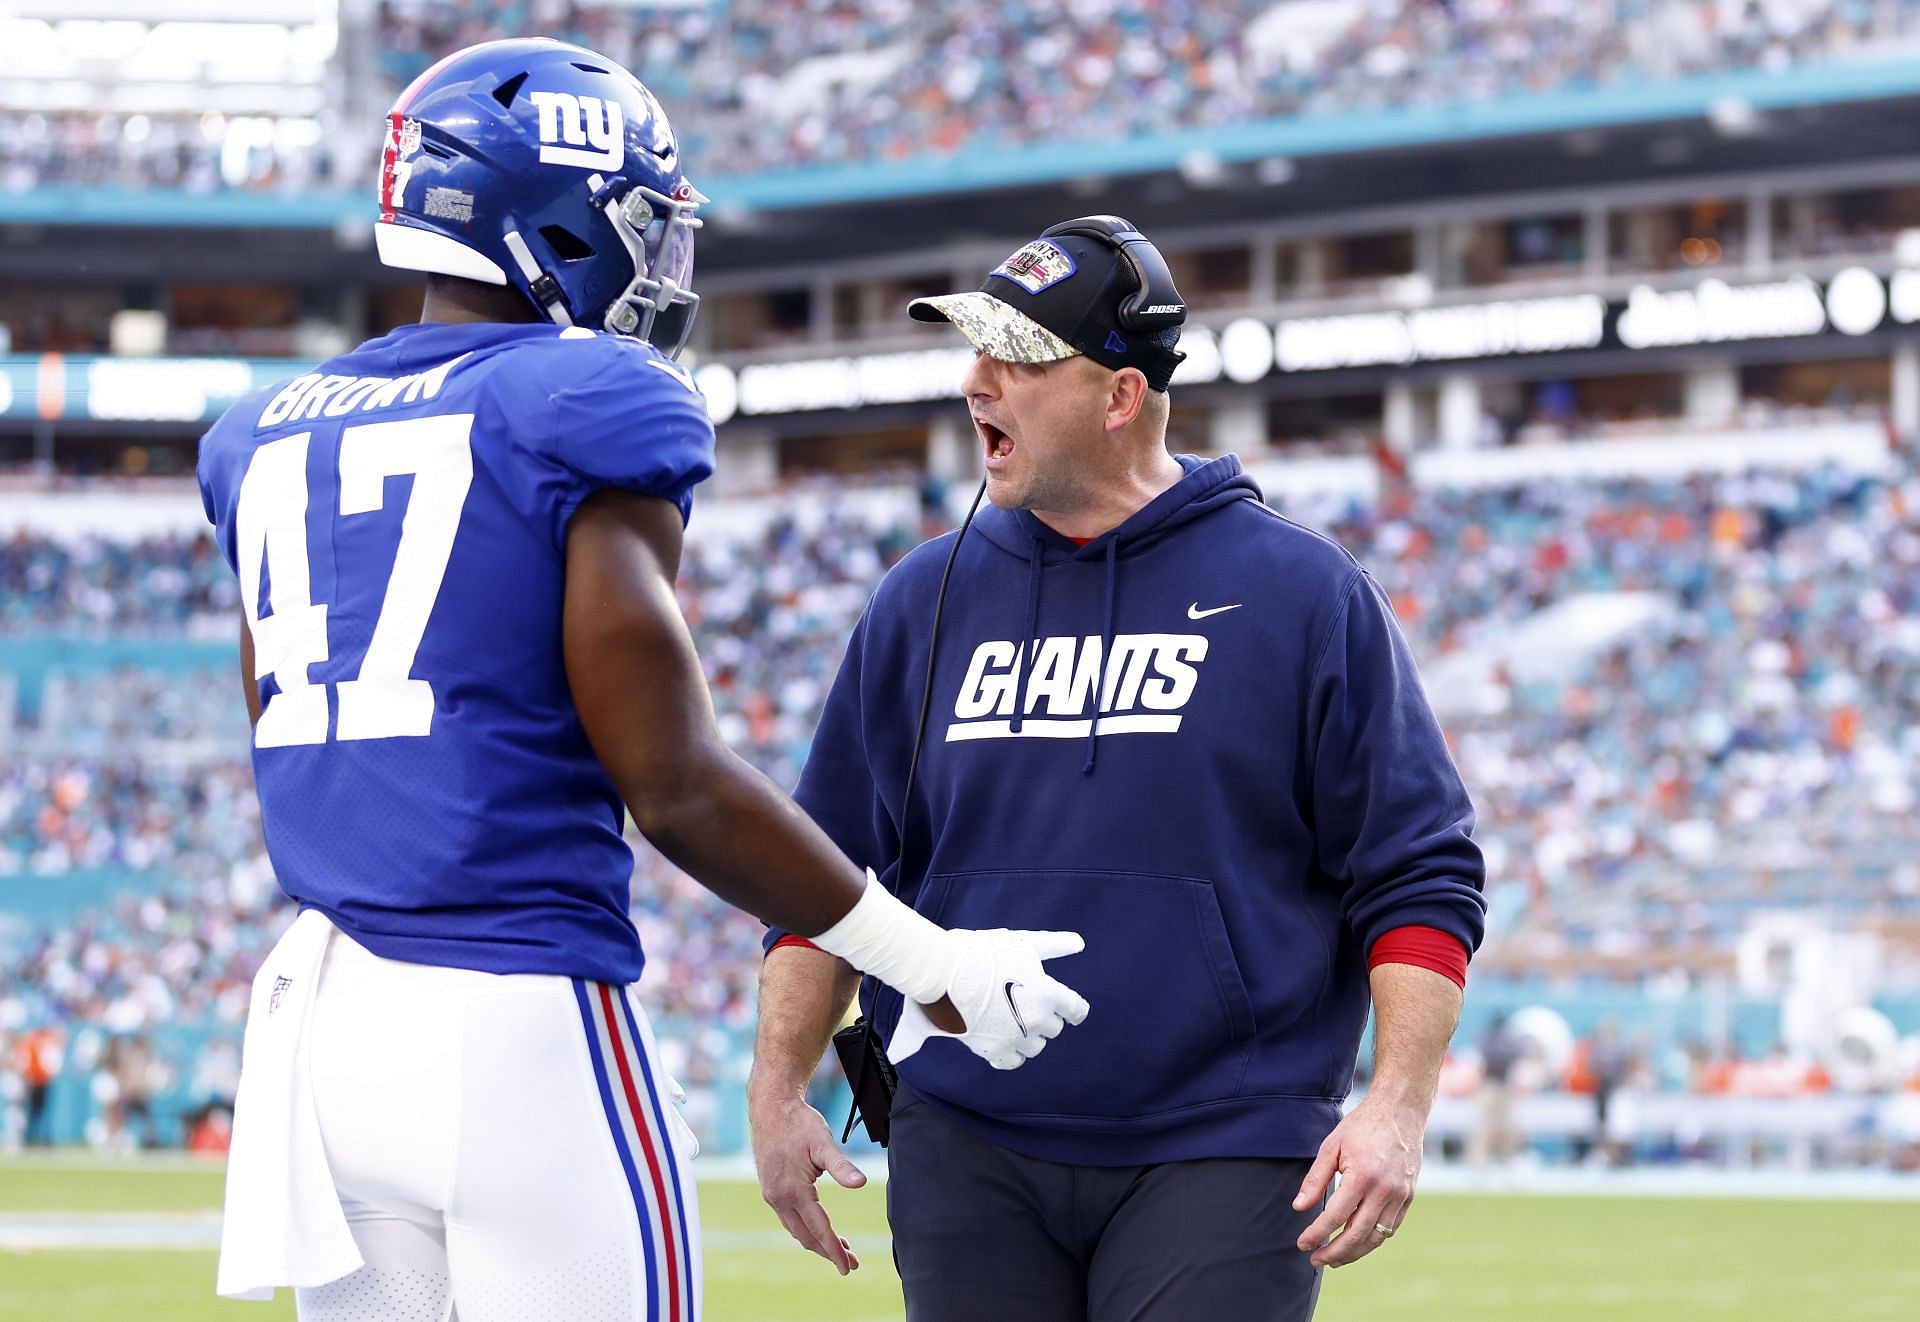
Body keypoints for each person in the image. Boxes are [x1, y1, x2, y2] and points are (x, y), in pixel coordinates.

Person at [193, 39, 1089, 1322]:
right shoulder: (583, 395)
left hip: (324, 1027)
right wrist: (925, 957)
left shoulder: (262, 436)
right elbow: (670, 782)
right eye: (635, 224)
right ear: (543, 217)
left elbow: (285, 728)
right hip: (515, 1022)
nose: (656, 261)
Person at [749, 217, 1487, 1321]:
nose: (975, 383)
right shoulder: (919, 598)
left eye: (1015, 359)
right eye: (973, 352)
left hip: (1226, 1141)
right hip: (968, 1138)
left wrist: (1395, 1106)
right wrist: (777, 1085)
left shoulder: (1302, 592)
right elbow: (827, 870)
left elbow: (1421, 874)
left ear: (1120, 395)